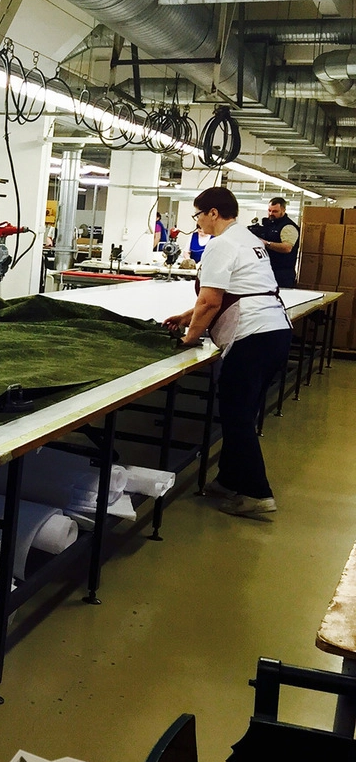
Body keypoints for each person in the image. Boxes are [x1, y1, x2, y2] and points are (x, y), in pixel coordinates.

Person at [162, 186, 290, 518]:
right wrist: (187, 316)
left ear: (213, 213)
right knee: (242, 412)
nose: (198, 222)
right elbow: (239, 290)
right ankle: (229, 479)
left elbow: (211, 300)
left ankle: (257, 494)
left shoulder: (221, 244)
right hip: (275, 332)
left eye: (198, 215)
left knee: (236, 415)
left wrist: (189, 338)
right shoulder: (247, 239)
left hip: (252, 337)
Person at [248, 196, 299, 288]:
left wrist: (266, 243)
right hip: (267, 271)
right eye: (269, 210)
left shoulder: (288, 227)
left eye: (275, 211)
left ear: (283, 211)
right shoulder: (269, 225)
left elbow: (287, 248)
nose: (271, 213)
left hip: (283, 274)